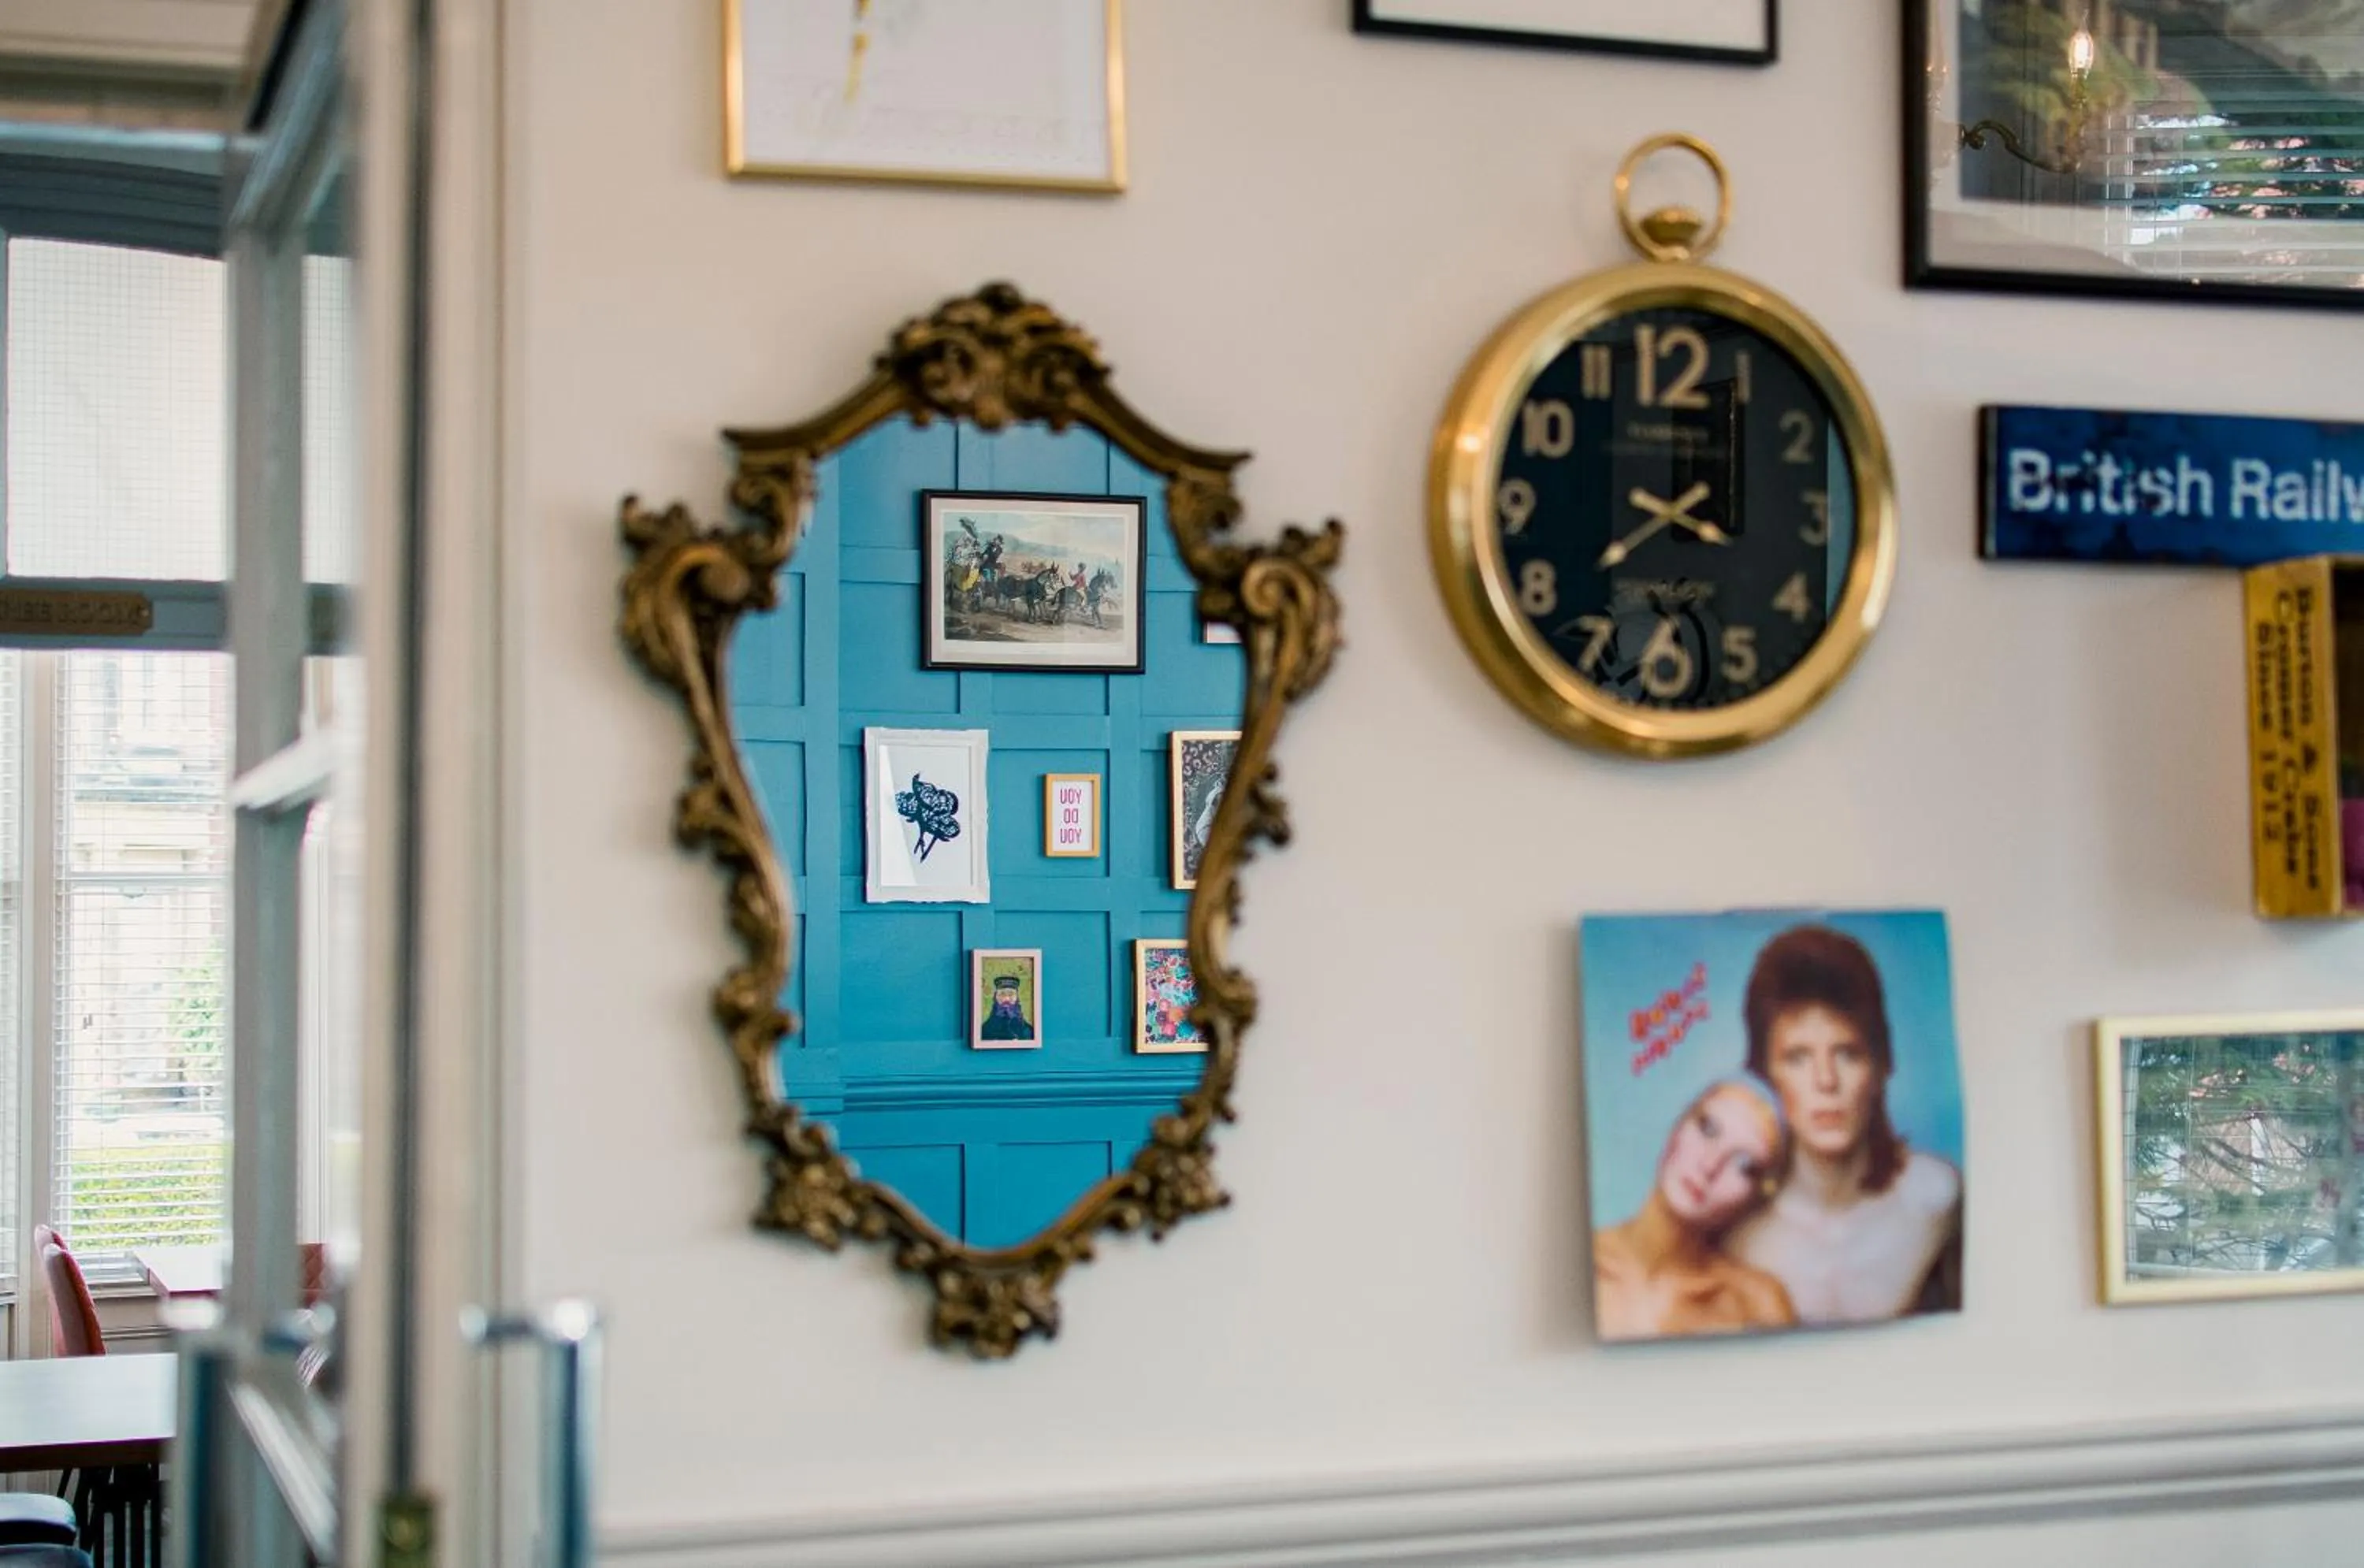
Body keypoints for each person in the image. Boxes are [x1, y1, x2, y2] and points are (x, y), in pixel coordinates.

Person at [1726, 925, 1963, 1324]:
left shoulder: (1936, 1199)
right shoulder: (1741, 1240)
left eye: (1848, 1054)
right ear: (1765, 1075)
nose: (1826, 1081)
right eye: (1798, 1057)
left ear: (1882, 1065)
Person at [1593, 1077, 1797, 1340]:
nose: (1709, 1165)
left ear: (1754, 1199)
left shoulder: (1758, 1304)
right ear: (1676, 1129)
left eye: (1744, 1165)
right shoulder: (1576, 1262)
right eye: (1708, 1129)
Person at [979, 972, 1035, 1042]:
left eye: (1011, 994)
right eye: (1002, 994)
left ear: (1017, 998)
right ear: (995, 997)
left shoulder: (1029, 1031)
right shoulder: (984, 1031)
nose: (1006, 999)